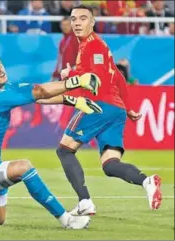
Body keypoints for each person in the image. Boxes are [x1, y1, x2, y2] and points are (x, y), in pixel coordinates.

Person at [0, 50, 102, 229]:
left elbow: (37, 98)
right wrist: (77, 81)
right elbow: (39, 91)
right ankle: (67, 220)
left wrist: (74, 101)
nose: (0, 69)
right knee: (24, 168)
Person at [56, 4, 162, 216]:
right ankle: (146, 181)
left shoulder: (93, 46)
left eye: (83, 18)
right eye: (74, 18)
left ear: (93, 22)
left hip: (98, 105)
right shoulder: (97, 46)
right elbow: (118, 77)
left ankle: (85, 201)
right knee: (110, 164)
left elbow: (94, 79)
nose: (77, 22)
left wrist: (69, 76)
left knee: (64, 150)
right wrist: (129, 107)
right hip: (116, 110)